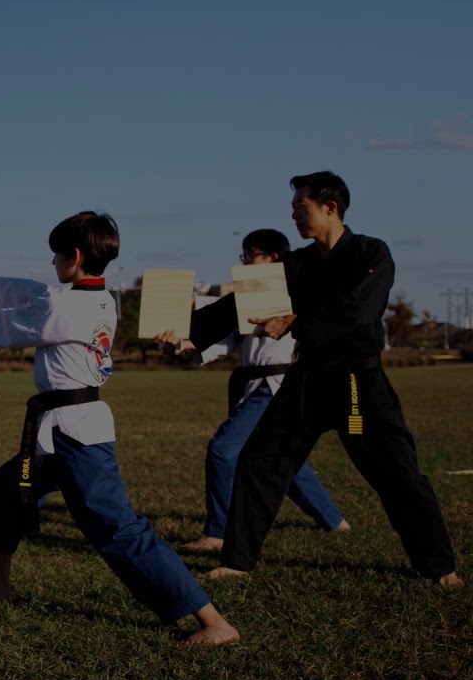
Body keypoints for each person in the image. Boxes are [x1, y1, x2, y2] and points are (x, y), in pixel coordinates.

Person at [0, 211, 239, 645]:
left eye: (56, 255)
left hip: (73, 435)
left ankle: (214, 621)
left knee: (118, 528)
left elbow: (12, 324)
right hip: (59, 429)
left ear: (74, 256)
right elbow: (31, 294)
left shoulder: (64, 308)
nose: (52, 264)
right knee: (5, 491)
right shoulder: (97, 299)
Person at [198, 172, 461, 587]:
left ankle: (438, 567)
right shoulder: (296, 263)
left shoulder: (371, 252)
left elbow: (358, 311)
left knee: (395, 472)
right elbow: (238, 304)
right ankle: (237, 561)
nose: (293, 215)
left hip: (356, 383)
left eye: (299, 207)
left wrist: (296, 320)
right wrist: (187, 333)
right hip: (307, 380)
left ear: (330, 207)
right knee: (261, 460)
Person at [153, 230, 349, 552]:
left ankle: (217, 533)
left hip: (276, 384)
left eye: (250, 254)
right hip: (250, 382)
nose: (244, 261)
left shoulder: (298, 290)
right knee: (280, 457)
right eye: (243, 255)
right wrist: (182, 343)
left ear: (272, 258)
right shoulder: (244, 299)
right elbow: (224, 336)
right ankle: (334, 521)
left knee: (223, 449)